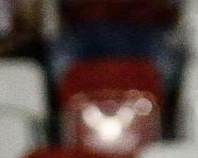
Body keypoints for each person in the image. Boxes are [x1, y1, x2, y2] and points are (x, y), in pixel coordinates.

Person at [48, 1, 183, 91]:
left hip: (145, 29)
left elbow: (169, 9)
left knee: (166, 66)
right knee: (60, 63)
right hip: (86, 29)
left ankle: (162, 116)